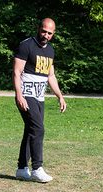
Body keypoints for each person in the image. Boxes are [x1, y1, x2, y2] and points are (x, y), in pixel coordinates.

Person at [13, 18, 67, 183]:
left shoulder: (50, 50)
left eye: (50, 33)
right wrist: (19, 95)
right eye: (44, 31)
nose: (46, 35)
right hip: (26, 95)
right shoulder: (26, 45)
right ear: (38, 29)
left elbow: (51, 76)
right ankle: (37, 168)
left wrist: (60, 96)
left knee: (31, 130)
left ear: (53, 34)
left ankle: (22, 169)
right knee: (38, 129)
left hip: (39, 96)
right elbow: (16, 72)